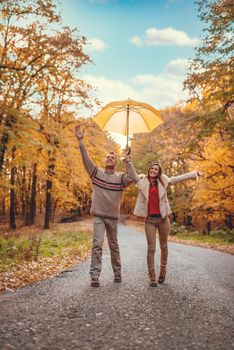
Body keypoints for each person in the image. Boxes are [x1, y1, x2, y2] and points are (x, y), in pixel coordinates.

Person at [75, 125, 137, 287]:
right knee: (97, 245)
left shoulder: (120, 178)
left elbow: (133, 177)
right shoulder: (96, 174)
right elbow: (86, 159)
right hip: (99, 217)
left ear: (116, 162)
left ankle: (117, 273)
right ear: (104, 161)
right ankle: (94, 276)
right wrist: (81, 141)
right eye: (108, 157)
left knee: (114, 245)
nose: (110, 159)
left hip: (113, 218)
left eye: (113, 157)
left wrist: (128, 160)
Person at [133, 162, 201, 287]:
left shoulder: (163, 181)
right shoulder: (142, 181)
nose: (153, 170)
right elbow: (132, 174)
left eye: (156, 170)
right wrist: (128, 160)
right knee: (151, 249)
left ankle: (162, 272)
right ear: (149, 169)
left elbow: (177, 178)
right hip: (149, 221)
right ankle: (152, 277)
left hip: (163, 220)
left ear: (159, 172)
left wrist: (193, 174)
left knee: (164, 246)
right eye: (152, 168)